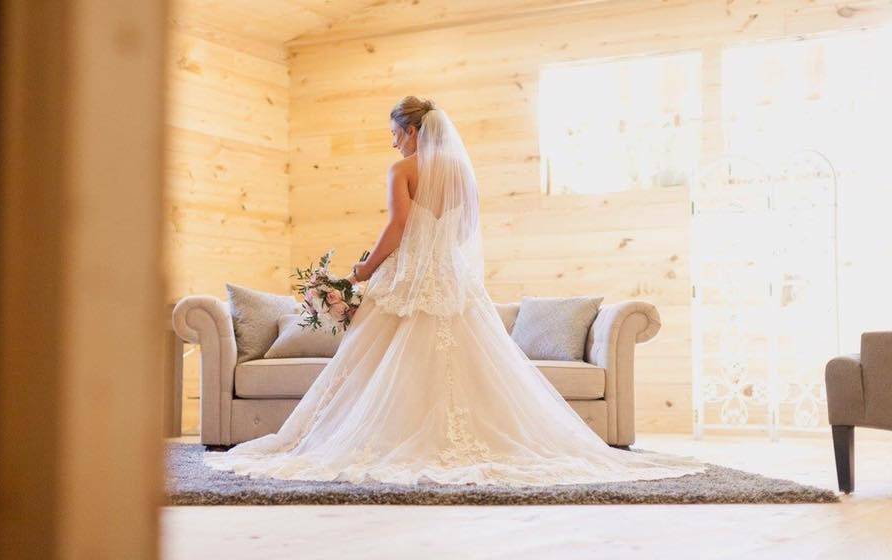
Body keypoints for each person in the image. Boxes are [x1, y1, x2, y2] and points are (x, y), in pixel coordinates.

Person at [203, 96, 707, 486]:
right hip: (452, 280)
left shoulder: (403, 170)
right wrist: (432, 255)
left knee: (371, 364)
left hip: (408, 279)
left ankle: (386, 439)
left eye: (395, 133)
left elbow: (398, 227)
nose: (393, 143)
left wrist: (362, 271)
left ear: (413, 130)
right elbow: (463, 235)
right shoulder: (462, 173)